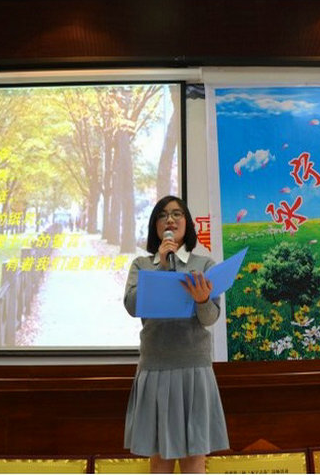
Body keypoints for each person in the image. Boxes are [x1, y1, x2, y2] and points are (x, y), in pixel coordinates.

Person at [123, 195, 230, 473]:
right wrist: (161, 265)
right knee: (160, 459)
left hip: (194, 369)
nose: (169, 220)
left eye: (176, 214)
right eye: (162, 215)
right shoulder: (142, 265)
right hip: (155, 368)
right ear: (155, 226)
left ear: (187, 223)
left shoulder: (204, 265)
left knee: (195, 458)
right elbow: (132, 306)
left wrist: (202, 300)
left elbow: (210, 318)